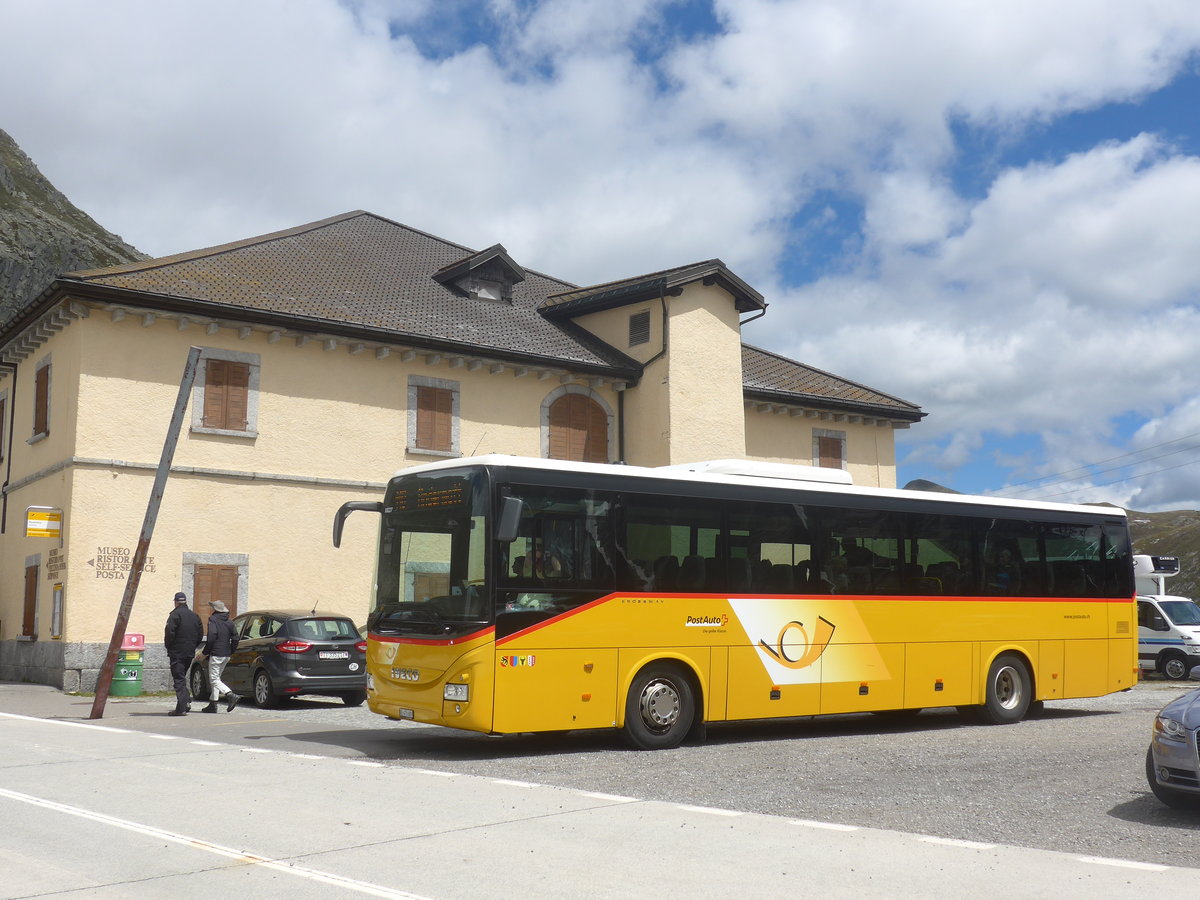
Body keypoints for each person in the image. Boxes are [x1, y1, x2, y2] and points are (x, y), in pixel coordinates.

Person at [163, 591, 203, 716]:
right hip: (189, 652)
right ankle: (185, 702)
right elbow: (200, 634)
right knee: (181, 677)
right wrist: (193, 646)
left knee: (179, 679)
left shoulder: (175, 615)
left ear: (175, 602)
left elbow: (170, 633)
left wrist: (169, 647)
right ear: (185, 601)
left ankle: (181, 708)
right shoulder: (195, 616)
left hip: (177, 652)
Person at [200, 600, 241, 713]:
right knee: (217, 678)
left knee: (213, 679)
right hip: (226, 654)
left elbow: (212, 636)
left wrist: (205, 652)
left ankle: (230, 695)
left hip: (216, 654)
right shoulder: (230, 622)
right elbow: (236, 638)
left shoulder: (213, 620)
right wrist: (231, 650)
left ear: (215, 610)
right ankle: (213, 704)